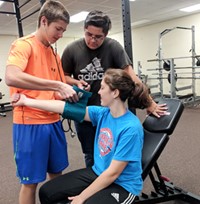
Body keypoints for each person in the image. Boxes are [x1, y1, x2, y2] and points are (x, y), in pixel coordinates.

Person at [12, 68, 152, 204]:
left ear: (115, 93)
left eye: (102, 88)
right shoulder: (103, 114)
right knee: (47, 192)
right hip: (98, 172)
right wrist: (26, 101)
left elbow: (113, 173)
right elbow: (63, 108)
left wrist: (81, 197)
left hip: (123, 186)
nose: (98, 91)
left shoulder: (130, 128)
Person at [61, 10, 167, 167]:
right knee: (90, 153)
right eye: (89, 34)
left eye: (98, 37)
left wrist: (149, 103)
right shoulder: (72, 49)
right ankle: (95, 187)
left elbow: (131, 75)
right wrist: (75, 82)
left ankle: (118, 186)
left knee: (119, 150)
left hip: (113, 113)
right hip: (87, 112)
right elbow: (62, 76)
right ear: (84, 29)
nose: (92, 40)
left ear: (106, 34)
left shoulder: (113, 47)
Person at [5, 1, 78, 204]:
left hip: (53, 122)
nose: (60, 35)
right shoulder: (24, 45)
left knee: (57, 175)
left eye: (64, 30)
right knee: (30, 182)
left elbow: (57, 86)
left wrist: (71, 88)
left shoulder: (54, 54)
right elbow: (11, 76)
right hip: (30, 125)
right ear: (44, 21)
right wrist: (56, 86)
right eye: (58, 29)